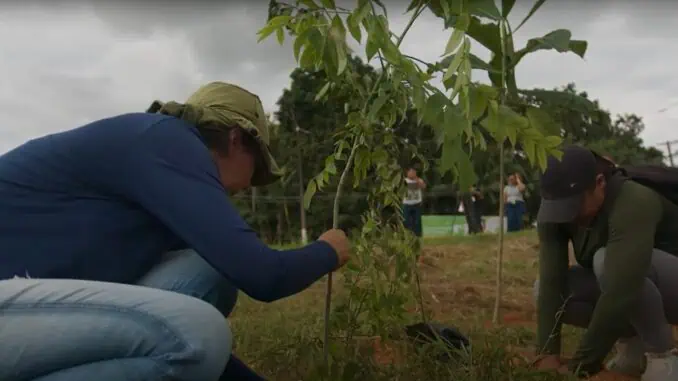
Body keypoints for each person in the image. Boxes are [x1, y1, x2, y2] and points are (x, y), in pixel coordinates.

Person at [0, 82, 351, 381]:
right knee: (199, 332)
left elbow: (184, 348)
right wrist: (328, 250)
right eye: (256, 169)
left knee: (206, 273)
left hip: (25, 311)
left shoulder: (158, 171)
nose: (249, 186)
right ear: (236, 140)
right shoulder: (167, 141)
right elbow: (264, 276)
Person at [532, 145, 678, 380]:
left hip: (669, 284)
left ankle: (663, 355)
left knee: (605, 262)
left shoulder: (633, 200)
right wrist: (547, 354)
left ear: (600, 183)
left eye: (574, 205)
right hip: (633, 285)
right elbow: (552, 281)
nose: (566, 215)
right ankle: (633, 346)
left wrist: (581, 365)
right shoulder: (555, 210)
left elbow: (623, 287)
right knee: (542, 289)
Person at [403, 167, 426, 238]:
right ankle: (407, 234)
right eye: (411, 172)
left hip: (417, 203)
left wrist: (417, 180)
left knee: (417, 221)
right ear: (407, 173)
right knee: (406, 220)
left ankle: (418, 235)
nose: (412, 173)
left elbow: (423, 186)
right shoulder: (404, 181)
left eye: (414, 172)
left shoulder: (419, 180)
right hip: (407, 203)